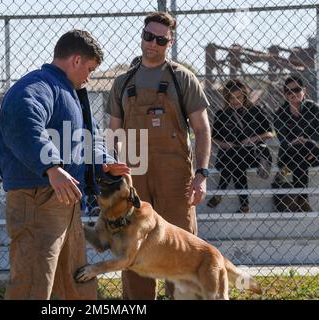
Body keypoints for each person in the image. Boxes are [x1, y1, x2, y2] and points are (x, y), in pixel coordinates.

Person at [0, 30, 130, 300]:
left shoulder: (68, 92)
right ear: (76, 60)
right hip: (37, 198)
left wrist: (105, 163)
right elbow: (23, 119)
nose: (89, 76)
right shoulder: (38, 85)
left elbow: (85, 139)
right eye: (90, 69)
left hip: (65, 200)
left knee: (77, 280)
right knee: (33, 282)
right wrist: (52, 168)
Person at [106, 11, 211, 300]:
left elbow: (202, 130)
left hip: (174, 177)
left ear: (170, 42)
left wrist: (201, 175)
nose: (152, 43)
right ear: (142, 36)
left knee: (180, 247)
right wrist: (112, 176)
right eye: (147, 36)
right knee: (134, 248)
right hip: (133, 175)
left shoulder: (183, 79)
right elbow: (113, 133)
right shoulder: (122, 83)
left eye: (160, 40)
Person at [207, 79, 274, 213]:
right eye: (231, 98)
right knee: (236, 158)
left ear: (244, 95)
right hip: (229, 153)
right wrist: (224, 144)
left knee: (237, 157)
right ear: (226, 98)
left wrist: (252, 139)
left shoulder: (255, 110)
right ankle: (244, 206)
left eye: (238, 97)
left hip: (250, 152)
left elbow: (270, 133)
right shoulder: (222, 114)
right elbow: (213, 139)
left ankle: (221, 192)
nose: (235, 101)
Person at [274, 76, 319, 212]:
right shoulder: (280, 113)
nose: (292, 93)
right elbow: (283, 139)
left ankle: (302, 198)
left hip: (314, 152)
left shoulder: (315, 109)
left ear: (304, 90)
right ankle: (302, 199)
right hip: (292, 153)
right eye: (288, 91)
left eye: (296, 89)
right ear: (285, 94)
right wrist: (298, 142)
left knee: (304, 149)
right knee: (298, 152)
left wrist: (308, 142)